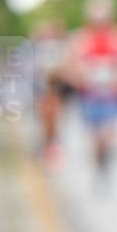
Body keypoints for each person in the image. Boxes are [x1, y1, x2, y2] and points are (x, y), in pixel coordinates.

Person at [66, 0, 117, 191]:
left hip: (113, 95)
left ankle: (106, 161)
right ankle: (100, 167)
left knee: (107, 134)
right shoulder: (80, 38)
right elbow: (71, 65)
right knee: (94, 139)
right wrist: (81, 77)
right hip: (90, 95)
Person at [31, 18, 70, 168]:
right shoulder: (37, 48)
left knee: (55, 120)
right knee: (45, 120)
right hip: (42, 90)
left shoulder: (60, 48)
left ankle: (52, 149)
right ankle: (48, 147)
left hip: (56, 90)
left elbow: (64, 69)